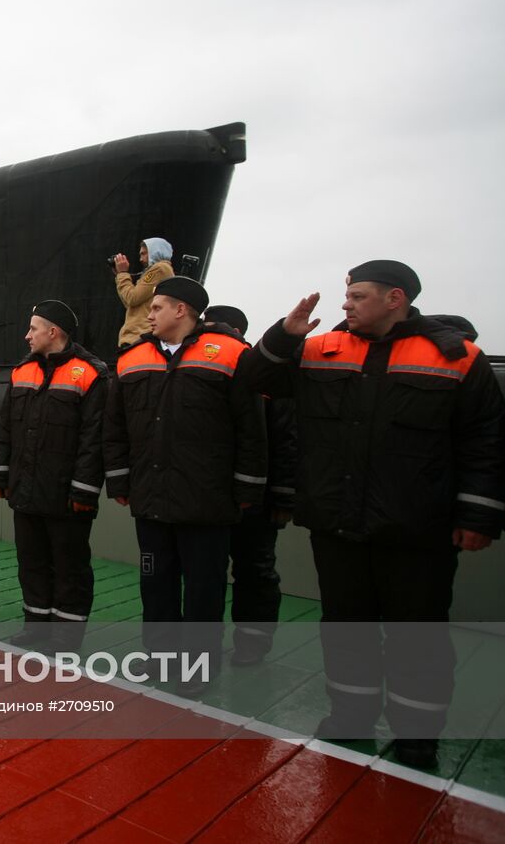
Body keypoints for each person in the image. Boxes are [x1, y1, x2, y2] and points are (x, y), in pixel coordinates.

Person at [239, 260, 504, 769]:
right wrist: (284, 334)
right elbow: (255, 378)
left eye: (358, 296)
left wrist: (477, 516)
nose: (346, 304)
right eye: (347, 295)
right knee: (345, 629)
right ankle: (350, 716)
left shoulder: (457, 358)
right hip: (337, 522)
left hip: (418, 528)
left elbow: (485, 442)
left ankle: (417, 736)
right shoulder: (321, 348)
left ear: (395, 299)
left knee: (418, 636)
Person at [103, 277, 266, 695]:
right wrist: (120, 477)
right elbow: (115, 427)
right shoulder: (131, 359)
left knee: (203, 591)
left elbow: (251, 429)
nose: (149, 314)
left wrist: (247, 489)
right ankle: (159, 659)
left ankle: (196, 670)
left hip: (207, 502)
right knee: (155, 583)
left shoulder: (232, 355)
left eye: (157, 307)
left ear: (182, 310)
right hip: (151, 498)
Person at [0, 301, 108, 650]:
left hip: (66, 495)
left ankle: (66, 637)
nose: (27, 336)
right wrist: (0, 474)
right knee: (32, 562)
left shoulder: (90, 373)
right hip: (26, 490)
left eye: (33, 329)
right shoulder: (22, 371)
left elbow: (94, 439)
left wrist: (84, 491)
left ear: (53, 332)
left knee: (69, 567)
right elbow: (5, 428)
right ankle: (37, 628)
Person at [202, 304, 298, 666]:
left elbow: (286, 437)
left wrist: (284, 495)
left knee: (253, 568)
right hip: (215, 494)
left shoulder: (265, 377)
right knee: (220, 570)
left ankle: (252, 642)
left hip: (256, 495)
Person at [113, 236, 175, 347]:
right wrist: (120, 275)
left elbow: (132, 298)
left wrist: (122, 274)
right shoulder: (162, 271)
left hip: (140, 336)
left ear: (155, 251)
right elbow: (130, 304)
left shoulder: (160, 268)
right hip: (138, 336)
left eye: (144, 253)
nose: (141, 259)